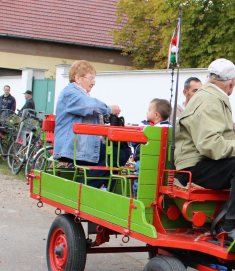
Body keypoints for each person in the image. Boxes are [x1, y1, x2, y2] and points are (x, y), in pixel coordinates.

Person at [173, 58, 235, 243]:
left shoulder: (211, 96)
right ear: (232, 83)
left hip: (203, 162)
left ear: (210, 77)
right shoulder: (209, 101)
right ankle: (229, 225)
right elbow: (210, 145)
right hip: (192, 168)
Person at [53, 60, 122, 189]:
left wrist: (107, 115)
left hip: (80, 145)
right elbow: (89, 105)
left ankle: (103, 187)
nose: (93, 83)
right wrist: (109, 109)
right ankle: (87, 189)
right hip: (72, 147)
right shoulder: (70, 92)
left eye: (94, 79)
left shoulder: (80, 94)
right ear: (77, 78)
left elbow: (91, 109)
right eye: (90, 78)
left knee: (120, 152)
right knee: (118, 154)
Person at [133, 99, 172, 197]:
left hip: (144, 161)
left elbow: (133, 142)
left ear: (156, 115)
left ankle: (137, 197)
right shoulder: (170, 128)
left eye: (149, 110)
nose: (147, 112)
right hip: (164, 163)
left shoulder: (147, 129)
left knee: (139, 179)